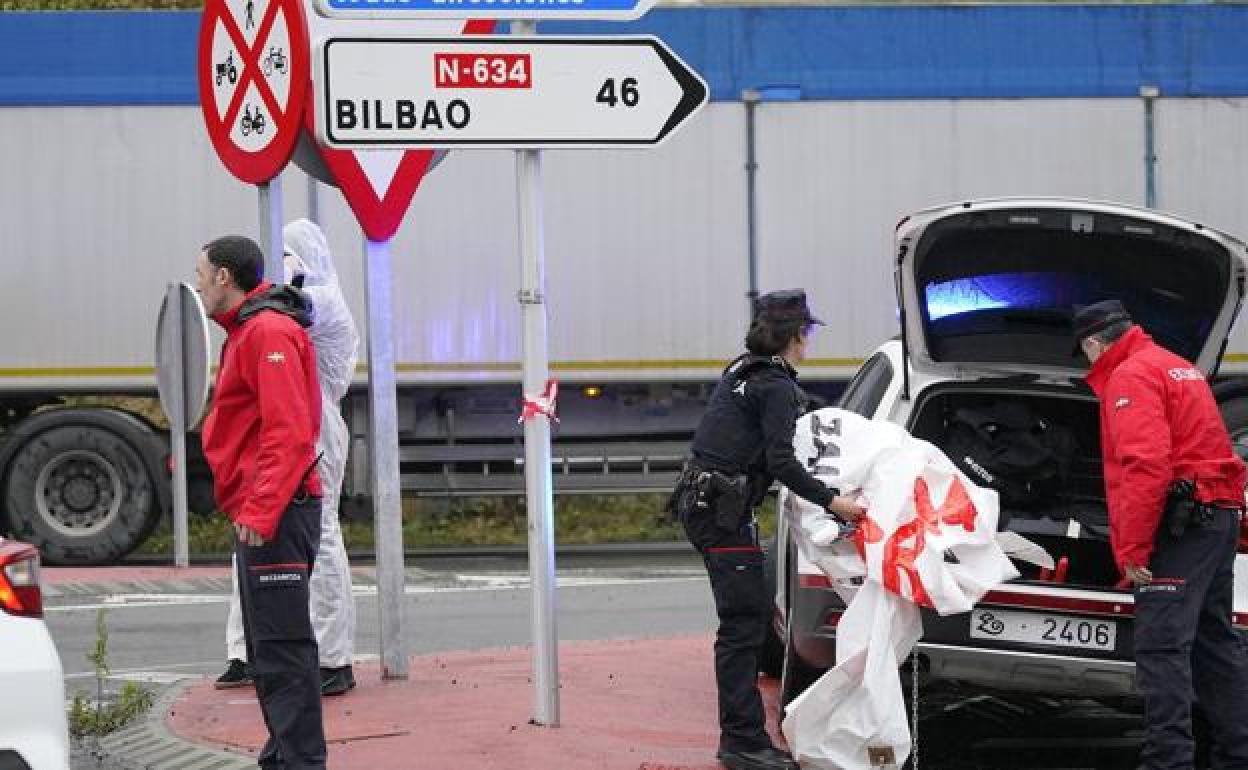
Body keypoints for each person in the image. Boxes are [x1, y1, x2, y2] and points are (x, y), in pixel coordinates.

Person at [671, 289, 866, 770]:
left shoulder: (743, 368)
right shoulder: (774, 384)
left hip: (703, 501)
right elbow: (782, 460)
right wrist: (833, 500)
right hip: (721, 512)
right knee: (743, 628)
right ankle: (742, 743)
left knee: (745, 622)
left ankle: (743, 738)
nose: (810, 342)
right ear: (798, 336)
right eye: (809, 333)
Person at [1075, 299, 1248, 770]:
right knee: (1215, 645)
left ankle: (1167, 762)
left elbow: (1145, 465)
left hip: (1182, 528)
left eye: (1084, 352)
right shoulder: (1177, 367)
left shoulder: (1130, 375)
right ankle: (1237, 754)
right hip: (1217, 517)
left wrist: (1131, 547)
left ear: (1094, 343)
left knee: (1162, 648)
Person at [196, 235, 327, 769]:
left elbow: (289, 430)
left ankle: (299, 762)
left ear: (225, 277)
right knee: (268, 650)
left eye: (202, 273)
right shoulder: (251, 329)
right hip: (268, 508)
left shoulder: (267, 331)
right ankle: (283, 757)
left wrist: (261, 508)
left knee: (283, 650)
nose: (198, 284)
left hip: (276, 512)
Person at [216, 220, 361, 697]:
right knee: (253, 530)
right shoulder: (287, 301)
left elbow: (296, 308)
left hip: (316, 430)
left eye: (287, 255)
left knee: (320, 536)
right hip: (279, 425)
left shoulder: (323, 300)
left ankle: (334, 656)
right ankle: (245, 649)